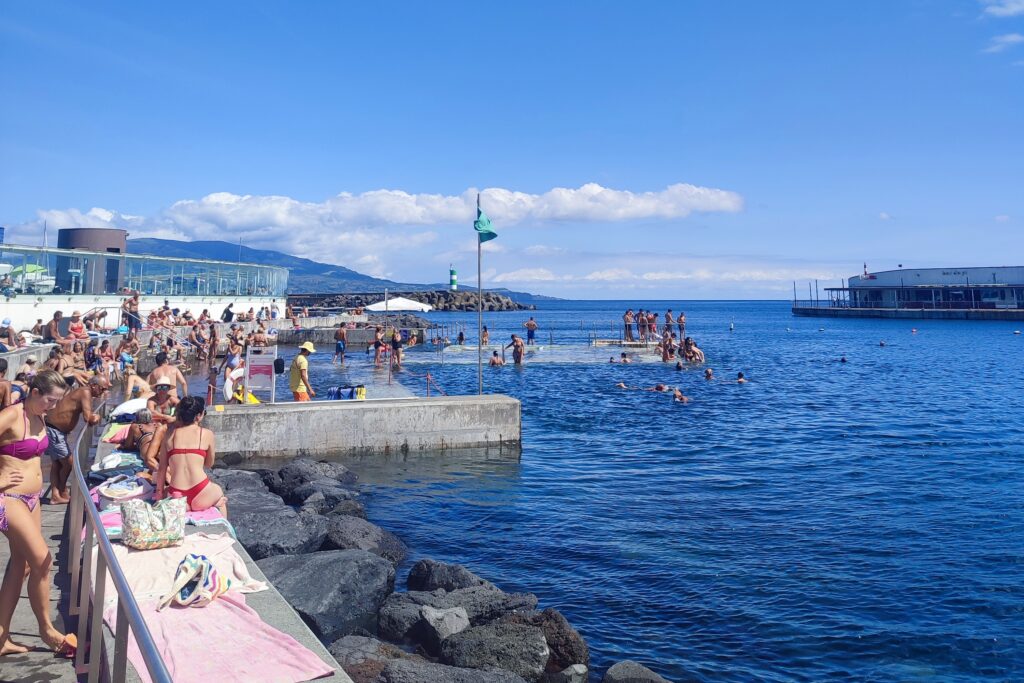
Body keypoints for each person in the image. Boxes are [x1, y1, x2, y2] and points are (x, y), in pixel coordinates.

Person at [0, 370, 77, 657]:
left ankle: (1, 636)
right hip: (7, 498)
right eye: (49, 400)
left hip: (31, 499)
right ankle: (47, 630)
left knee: (23, 565)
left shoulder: (38, 415)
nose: (53, 407)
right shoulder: (11, 415)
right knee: (43, 560)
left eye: (57, 402)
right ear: (33, 392)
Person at [155, 396, 226, 516]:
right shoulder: (206, 434)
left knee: (169, 490)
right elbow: (209, 464)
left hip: (177, 495)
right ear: (199, 415)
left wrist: (159, 494)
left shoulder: (169, 435)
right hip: (202, 492)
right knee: (222, 500)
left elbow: (162, 468)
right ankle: (224, 529)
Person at [45, 374, 106, 504]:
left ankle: (56, 494)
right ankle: (62, 490)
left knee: (57, 464)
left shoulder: (84, 391)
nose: (103, 392)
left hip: (56, 430)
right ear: (93, 385)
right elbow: (88, 417)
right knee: (68, 463)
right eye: (102, 388)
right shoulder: (85, 391)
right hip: (54, 431)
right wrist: (97, 417)